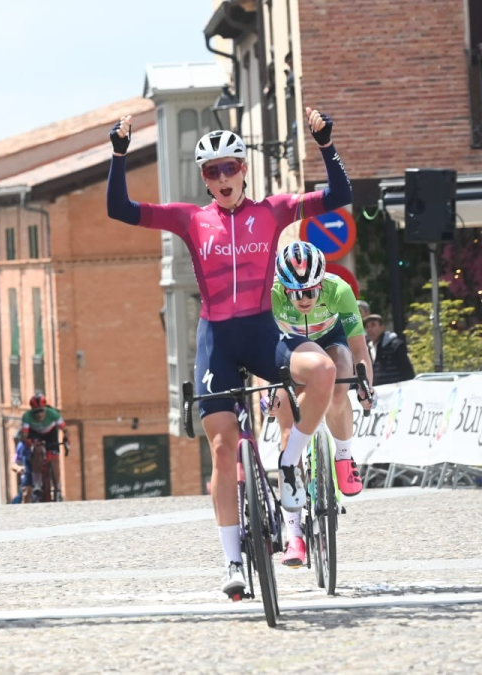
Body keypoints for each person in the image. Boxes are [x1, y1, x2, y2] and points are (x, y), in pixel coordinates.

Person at [107, 105, 352, 598]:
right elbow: (121, 209)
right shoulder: (190, 219)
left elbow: (341, 195)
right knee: (222, 450)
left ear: (244, 170)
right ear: (204, 178)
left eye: (230, 168)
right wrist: (118, 154)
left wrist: (325, 142)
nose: (222, 177)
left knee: (323, 370)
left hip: (264, 333)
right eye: (212, 171)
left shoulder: (275, 210)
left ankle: (291, 459)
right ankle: (232, 561)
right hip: (215, 341)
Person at [270, 242, 372, 567]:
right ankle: (294, 534)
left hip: (330, 342)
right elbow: (258, 351)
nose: (303, 298)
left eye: (310, 291)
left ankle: (343, 456)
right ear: (283, 288)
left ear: (321, 283)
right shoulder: (270, 296)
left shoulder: (338, 289)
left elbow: (359, 349)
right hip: (287, 349)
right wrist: (266, 390)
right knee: (287, 417)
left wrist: (366, 386)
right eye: (295, 292)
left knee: (340, 384)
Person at [364, 314, 415, 385]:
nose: (369, 329)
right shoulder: (366, 349)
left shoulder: (395, 345)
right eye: (367, 327)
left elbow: (407, 372)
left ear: (382, 327)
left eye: (373, 325)